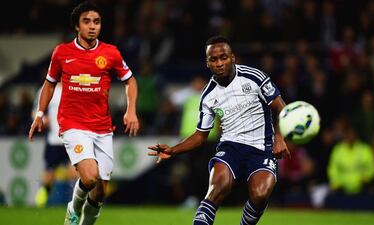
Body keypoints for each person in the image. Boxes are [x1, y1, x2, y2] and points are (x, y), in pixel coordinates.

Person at [148, 35, 290, 225]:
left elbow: (282, 108)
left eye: (223, 57)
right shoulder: (208, 95)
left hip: (262, 147)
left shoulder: (254, 77)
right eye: (213, 59)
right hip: (231, 148)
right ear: (207, 63)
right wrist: (173, 150)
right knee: (216, 188)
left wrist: (279, 138)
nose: (219, 63)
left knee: (260, 194)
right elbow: (200, 136)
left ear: (233, 57)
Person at [28, 1, 139, 225]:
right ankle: (73, 208)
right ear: (77, 26)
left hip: (102, 128)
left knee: (99, 193)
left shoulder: (110, 53)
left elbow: (130, 80)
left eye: (96, 22)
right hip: (72, 125)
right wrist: (39, 114)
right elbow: (49, 84)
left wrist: (131, 111)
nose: (92, 26)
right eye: (86, 21)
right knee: (89, 178)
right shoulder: (62, 52)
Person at [32, 82, 77, 207]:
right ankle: (40, 201)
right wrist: (41, 119)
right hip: (54, 140)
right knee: (48, 176)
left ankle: (76, 204)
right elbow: (35, 112)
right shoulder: (46, 89)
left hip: (72, 140)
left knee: (75, 173)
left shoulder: (75, 88)